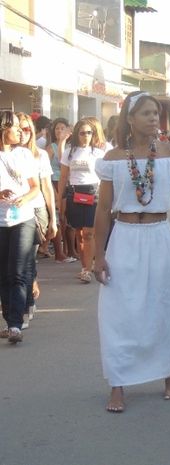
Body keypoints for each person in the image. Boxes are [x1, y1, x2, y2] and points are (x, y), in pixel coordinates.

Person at [93, 91, 170, 413]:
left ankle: (169, 375)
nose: (154, 118)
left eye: (155, 113)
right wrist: (98, 255)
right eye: (146, 113)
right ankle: (118, 384)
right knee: (119, 311)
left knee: (164, 307)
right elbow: (102, 210)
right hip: (125, 237)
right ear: (130, 119)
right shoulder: (113, 159)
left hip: (160, 238)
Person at [0, 111, 40, 343]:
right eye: (15, 127)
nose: (20, 132)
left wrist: (25, 198)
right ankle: (9, 322)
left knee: (16, 272)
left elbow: (35, 186)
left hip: (22, 219)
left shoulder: (24, 154)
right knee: (3, 274)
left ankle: (15, 325)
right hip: (1, 222)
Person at [17, 113, 57, 328]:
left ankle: (26, 303)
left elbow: (47, 187)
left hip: (35, 210)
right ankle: (22, 299)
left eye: (26, 129)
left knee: (27, 259)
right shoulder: (7, 153)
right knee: (14, 263)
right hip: (11, 212)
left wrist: (54, 219)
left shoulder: (39, 154)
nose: (22, 134)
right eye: (18, 129)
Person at [57, 118, 106, 283]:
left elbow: (106, 178)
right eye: (83, 133)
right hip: (74, 193)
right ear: (77, 134)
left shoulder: (99, 153)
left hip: (94, 192)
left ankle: (87, 269)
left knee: (89, 233)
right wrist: (59, 199)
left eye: (89, 133)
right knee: (78, 232)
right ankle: (85, 265)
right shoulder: (69, 152)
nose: (86, 136)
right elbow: (63, 177)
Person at [46, 118, 77, 263]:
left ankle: (71, 249)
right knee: (59, 217)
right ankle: (60, 252)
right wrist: (61, 142)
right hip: (55, 182)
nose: (59, 131)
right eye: (57, 128)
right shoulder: (51, 147)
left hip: (69, 184)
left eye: (62, 128)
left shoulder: (72, 147)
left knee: (69, 218)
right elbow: (59, 163)